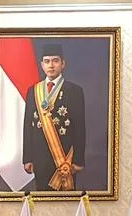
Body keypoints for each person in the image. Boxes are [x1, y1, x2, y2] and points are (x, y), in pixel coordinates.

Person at [22, 43, 86, 192]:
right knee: (41, 199)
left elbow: (80, 127)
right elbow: (27, 126)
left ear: (63, 64)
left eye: (55, 61)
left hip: (65, 158)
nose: (51, 65)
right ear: (42, 65)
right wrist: (27, 158)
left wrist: (78, 160)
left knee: (66, 202)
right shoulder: (33, 91)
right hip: (39, 156)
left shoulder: (74, 91)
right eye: (47, 61)